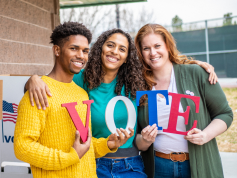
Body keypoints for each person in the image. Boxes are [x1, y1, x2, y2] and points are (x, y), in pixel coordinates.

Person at [25, 28, 218, 178]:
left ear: (127, 57)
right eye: (110, 45)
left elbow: (164, 66)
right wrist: (33, 79)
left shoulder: (135, 81)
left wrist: (198, 65)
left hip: (132, 165)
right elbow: (52, 84)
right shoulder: (81, 80)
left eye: (122, 49)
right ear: (100, 47)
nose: (114, 52)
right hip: (94, 164)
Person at [14, 22, 129, 178]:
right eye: (74, 48)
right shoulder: (38, 92)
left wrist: (107, 144)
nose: (81, 56)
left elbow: (83, 146)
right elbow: (23, 147)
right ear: (57, 50)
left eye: (85, 51)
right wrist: (70, 157)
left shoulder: (81, 93)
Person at [135, 24, 233, 178]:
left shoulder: (196, 73)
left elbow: (225, 114)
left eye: (157, 45)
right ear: (141, 52)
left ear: (167, 46)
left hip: (197, 165)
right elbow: (137, 138)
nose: (153, 53)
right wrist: (145, 140)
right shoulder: (137, 84)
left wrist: (205, 135)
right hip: (158, 167)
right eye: (146, 48)